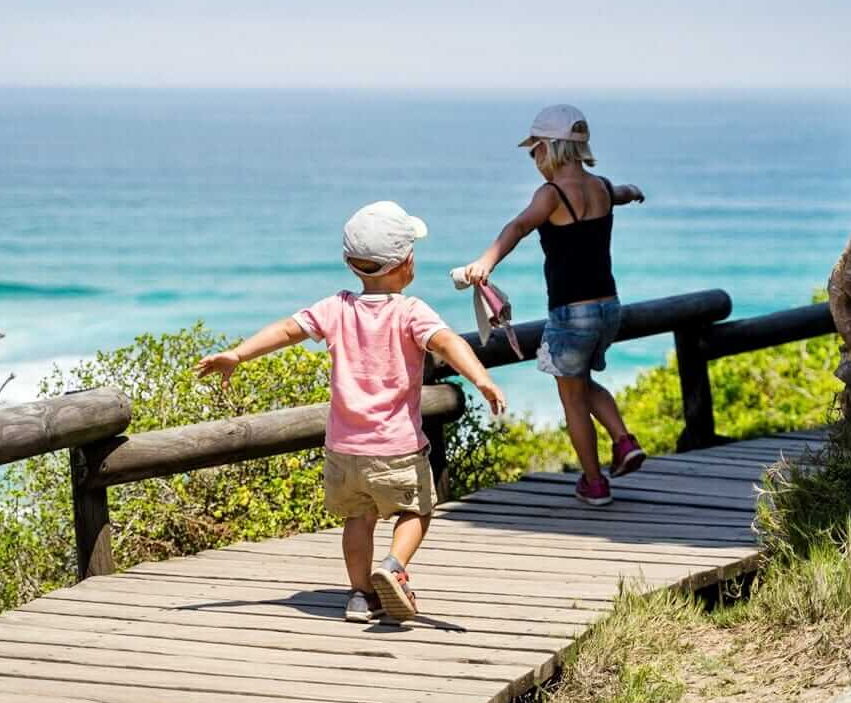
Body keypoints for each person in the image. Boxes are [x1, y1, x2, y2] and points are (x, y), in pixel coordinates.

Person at [196, 200, 506, 623]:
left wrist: (237, 353)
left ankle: (361, 596)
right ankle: (394, 568)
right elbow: (448, 343)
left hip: (343, 449)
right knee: (417, 510)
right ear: (407, 262)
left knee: (358, 520)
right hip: (395, 446)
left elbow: (287, 330)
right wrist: (480, 378)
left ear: (350, 262)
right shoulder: (410, 311)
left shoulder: (335, 307)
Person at [463, 104, 646, 507]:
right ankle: (623, 439)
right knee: (581, 383)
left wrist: (484, 263)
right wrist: (633, 193)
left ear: (550, 148)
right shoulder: (600, 186)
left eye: (535, 152)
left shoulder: (551, 194)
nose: (534, 160)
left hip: (571, 313)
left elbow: (519, 226)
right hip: (608, 309)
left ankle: (595, 483)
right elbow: (621, 193)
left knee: (572, 400)